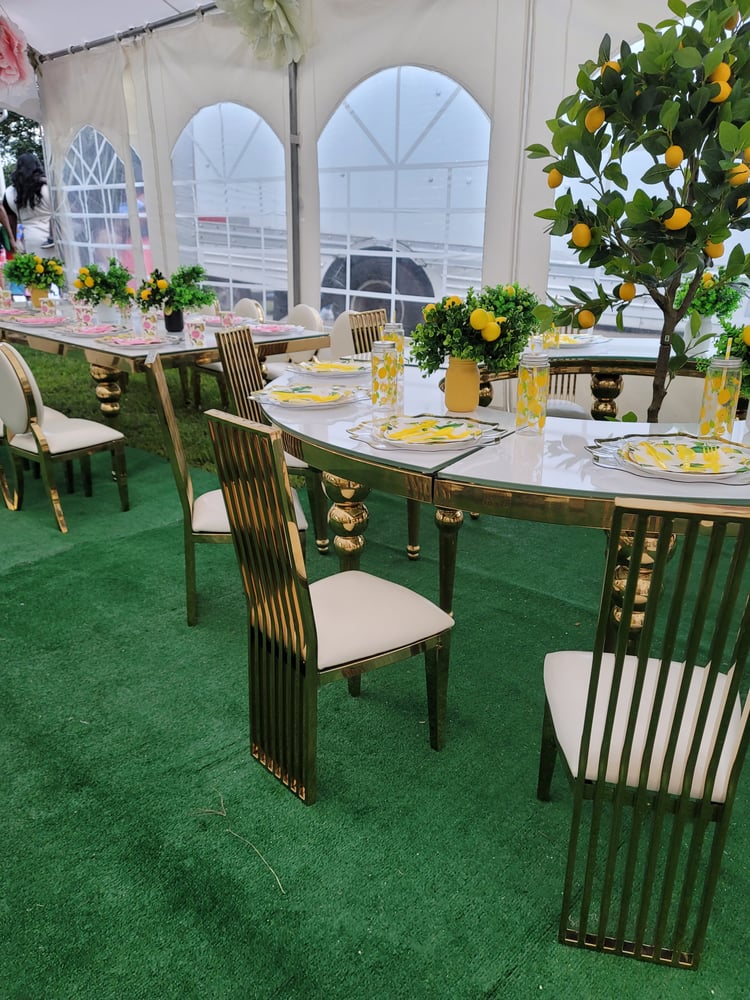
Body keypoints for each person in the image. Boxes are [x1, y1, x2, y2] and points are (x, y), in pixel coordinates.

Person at [3, 152, 55, 257]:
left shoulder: (10, 193)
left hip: (30, 239)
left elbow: (11, 224)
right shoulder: (50, 188)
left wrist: (13, 242)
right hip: (55, 238)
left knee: (35, 266)